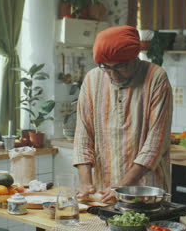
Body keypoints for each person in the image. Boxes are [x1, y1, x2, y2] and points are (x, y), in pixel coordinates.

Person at [72, 25, 173, 203]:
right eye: (106, 67)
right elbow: (83, 135)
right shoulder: (92, 79)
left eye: (120, 67)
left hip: (146, 190)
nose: (113, 74)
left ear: (135, 57)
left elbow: (155, 143)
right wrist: (86, 183)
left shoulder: (156, 78)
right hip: (104, 192)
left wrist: (123, 185)